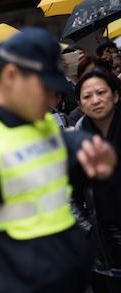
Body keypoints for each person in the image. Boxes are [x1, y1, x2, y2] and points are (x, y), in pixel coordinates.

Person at [0, 28, 120, 293]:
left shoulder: (40, 124)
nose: (53, 98)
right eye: (44, 87)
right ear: (11, 77)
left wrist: (94, 162)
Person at [72, 68, 121, 292]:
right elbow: (68, 195)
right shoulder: (75, 142)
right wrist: (88, 230)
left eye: (101, 92)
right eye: (87, 96)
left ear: (116, 95)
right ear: (80, 104)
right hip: (102, 237)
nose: (96, 100)